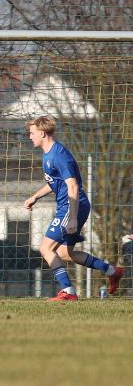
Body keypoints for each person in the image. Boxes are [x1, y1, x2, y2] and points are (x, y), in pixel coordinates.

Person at [23, 115, 123, 301]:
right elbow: (55, 183)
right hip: (70, 205)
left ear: (42, 133)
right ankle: (112, 271)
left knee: (45, 248)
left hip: (72, 205)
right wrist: (35, 196)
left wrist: (73, 217)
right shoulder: (47, 154)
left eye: (32, 133)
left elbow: (73, 186)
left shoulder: (58, 155)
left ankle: (68, 291)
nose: (30, 137)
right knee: (63, 253)